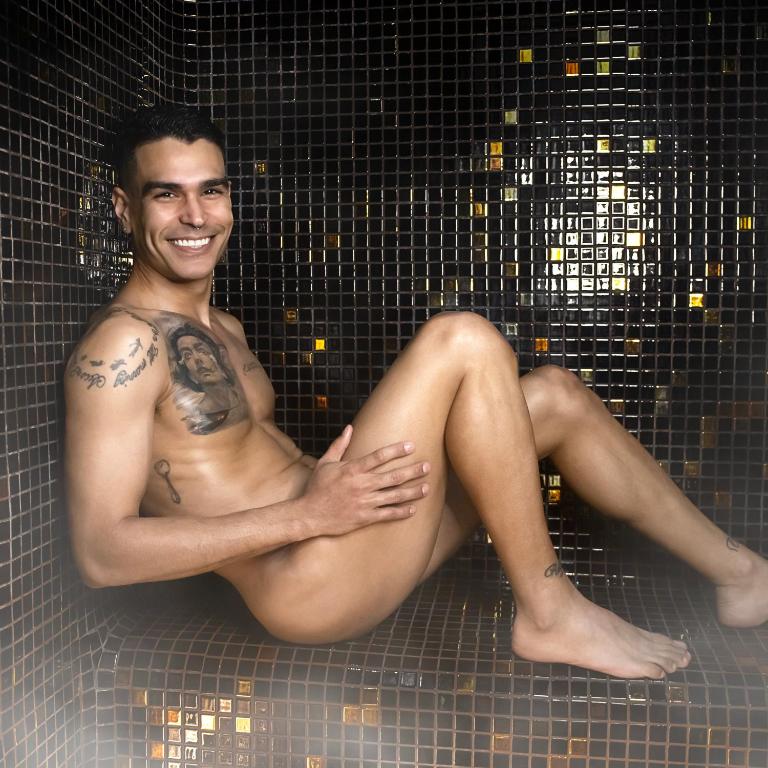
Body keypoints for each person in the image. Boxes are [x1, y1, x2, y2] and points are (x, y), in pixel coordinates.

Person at [64, 104, 768, 681]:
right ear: (125, 209)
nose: (195, 215)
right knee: (460, 338)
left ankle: (741, 574)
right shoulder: (123, 345)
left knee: (554, 396)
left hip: (352, 535)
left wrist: (324, 506)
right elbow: (102, 554)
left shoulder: (223, 326)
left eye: (211, 190)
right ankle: (550, 611)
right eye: (166, 194)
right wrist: (308, 515)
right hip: (308, 582)